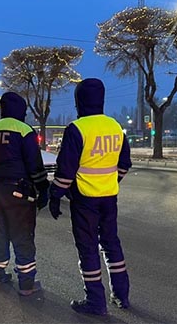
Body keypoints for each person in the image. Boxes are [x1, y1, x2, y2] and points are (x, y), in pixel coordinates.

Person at [49, 78, 132, 315]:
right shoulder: (115, 127)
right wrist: (111, 180)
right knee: (111, 244)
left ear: (79, 101)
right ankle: (121, 295)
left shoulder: (77, 129)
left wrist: (55, 195)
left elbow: (65, 170)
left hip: (85, 199)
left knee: (88, 249)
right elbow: (124, 164)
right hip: (109, 197)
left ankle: (96, 302)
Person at [0, 92, 49, 296]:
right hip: (19, 191)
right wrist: (43, 188)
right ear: (20, 110)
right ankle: (27, 284)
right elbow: (34, 165)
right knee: (22, 235)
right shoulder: (24, 130)